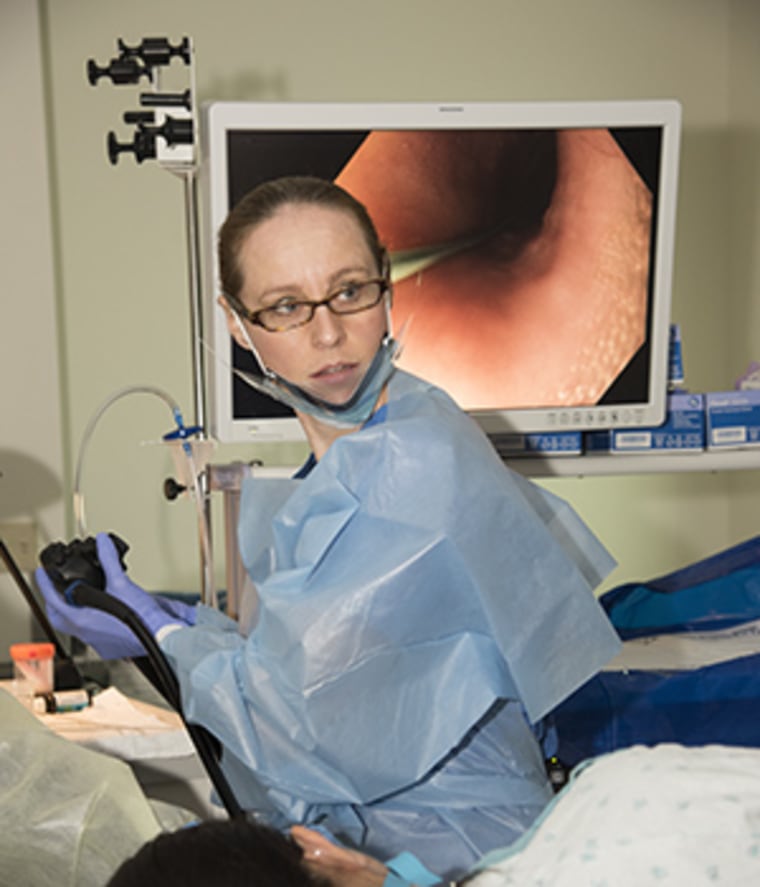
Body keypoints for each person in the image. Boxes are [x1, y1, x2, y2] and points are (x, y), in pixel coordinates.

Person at [37, 175, 621, 881]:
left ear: (387, 287)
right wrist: (169, 617)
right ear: (237, 322)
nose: (327, 333)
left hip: (464, 856)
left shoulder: (414, 459)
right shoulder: (354, 453)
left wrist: (157, 634)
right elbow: (310, 664)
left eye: (349, 291)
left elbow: (294, 728)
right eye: (286, 306)